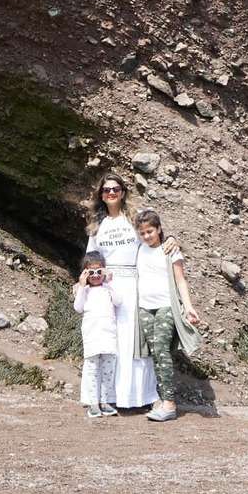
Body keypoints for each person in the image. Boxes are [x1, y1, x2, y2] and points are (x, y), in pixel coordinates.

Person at [84, 172, 177, 410]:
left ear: (123, 192)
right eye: (106, 190)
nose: (111, 193)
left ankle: (139, 396)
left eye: (116, 189)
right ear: (101, 195)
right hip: (106, 286)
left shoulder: (133, 218)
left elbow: (154, 238)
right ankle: (109, 396)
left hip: (134, 283)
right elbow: (91, 258)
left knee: (133, 341)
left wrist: (172, 240)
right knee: (110, 339)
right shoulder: (97, 225)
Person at [134, 207, 201, 422]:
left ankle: (170, 403)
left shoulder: (170, 250)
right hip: (145, 307)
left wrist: (188, 307)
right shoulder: (139, 249)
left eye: (150, 231)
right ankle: (161, 400)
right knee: (155, 353)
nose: (146, 236)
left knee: (163, 351)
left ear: (159, 229)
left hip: (165, 306)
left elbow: (181, 280)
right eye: (142, 233)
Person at [73, 250, 122, 419]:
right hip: (92, 336)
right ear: (85, 272)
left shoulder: (108, 289)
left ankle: (106, 401)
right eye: (90, 272)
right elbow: (78, 308)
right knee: (92, 370)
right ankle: (92, 402)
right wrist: (81, 285)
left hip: (108, 335)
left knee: (108, 369)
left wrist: (109, 282)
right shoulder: (83, 291)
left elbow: (118, 301)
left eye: (98, 271)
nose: (95, 276)